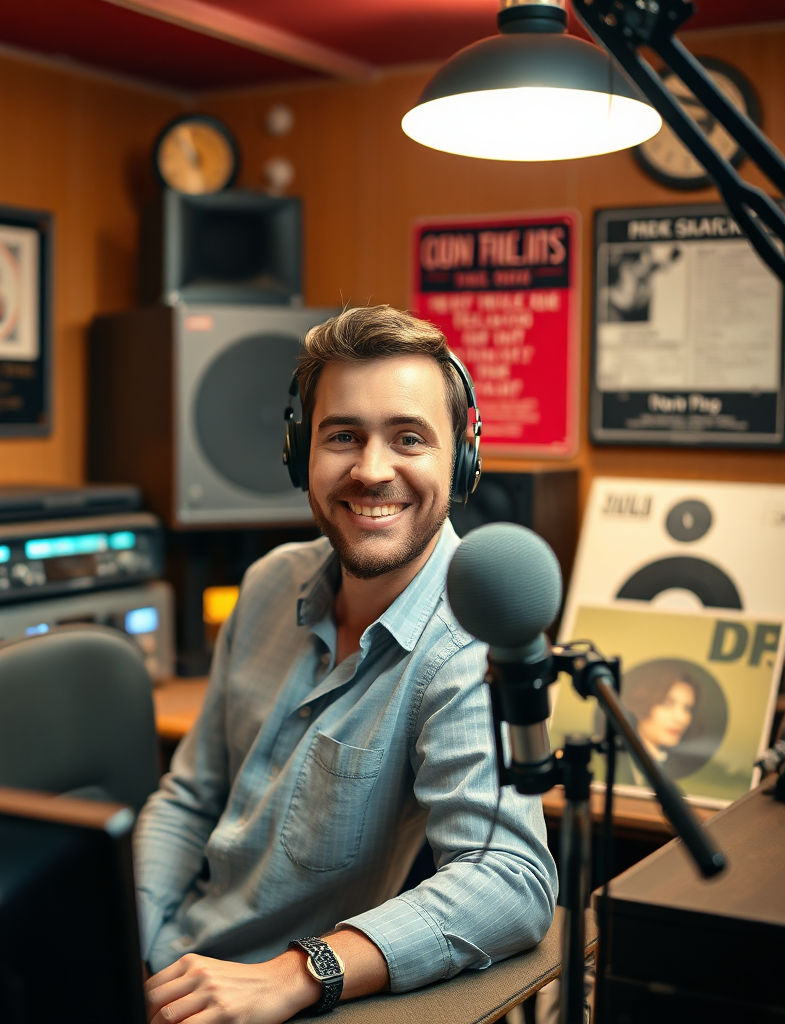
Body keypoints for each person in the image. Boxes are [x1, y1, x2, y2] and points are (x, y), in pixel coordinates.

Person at [135, 305, 557, 1023]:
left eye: (408, 438)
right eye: (342, 436)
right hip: (175, 976)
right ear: (300, 453)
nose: (371, 470)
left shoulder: (467, 642)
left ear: (461, 458)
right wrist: (142, 941)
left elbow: (510, 880)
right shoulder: (269, 583)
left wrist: (299, 974)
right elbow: (189, 797)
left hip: (288, 1002)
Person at [615, 665, 700, 786]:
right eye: (667, 704)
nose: (681, 718)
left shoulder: (670, 767)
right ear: (642, 702)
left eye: (687, 708)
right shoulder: (613, 758)